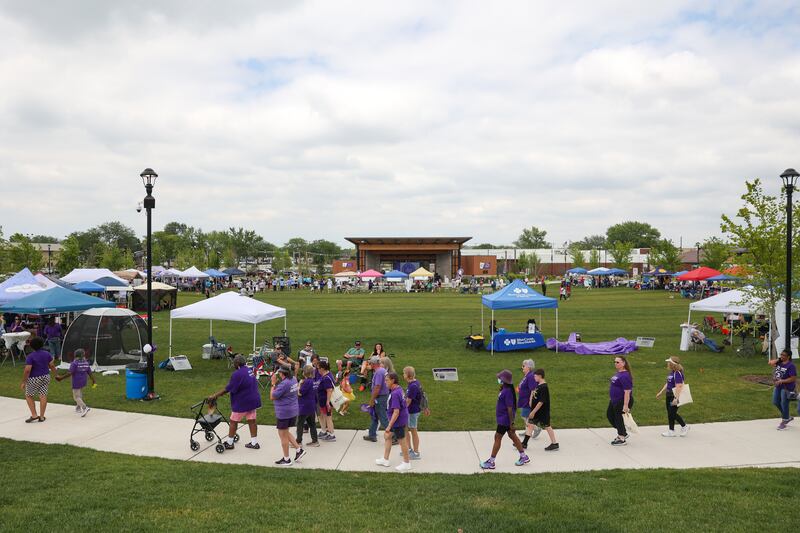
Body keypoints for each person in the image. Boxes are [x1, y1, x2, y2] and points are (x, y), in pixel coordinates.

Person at [208, 354, 261, 450]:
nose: (233, 365)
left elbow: (228, 389)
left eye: (234, 363)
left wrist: (214, 396)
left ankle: (229, 443)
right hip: (253, 400)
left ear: (237, 363)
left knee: (233, 421)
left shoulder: (237, 374)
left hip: (243, 402)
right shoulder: (249, 370)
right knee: (252, 421)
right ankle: (254, 443)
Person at [480, 370, 530, 469]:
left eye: (500, 378)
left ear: (504, 380)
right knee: (512, 436)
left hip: (504, 420)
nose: (498, 379)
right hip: (504, 419)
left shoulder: (507, 392)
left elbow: (510, 408)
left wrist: (511, 423)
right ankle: (523, 456)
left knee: (497, 438)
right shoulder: (505, 389)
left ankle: (491, 461)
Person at [375, 372, 412, 472]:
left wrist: (389, 425)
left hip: (397, 421)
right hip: (399, 419)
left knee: (402, 441)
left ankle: (407, 463)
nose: (385, 382)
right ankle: (385, 459)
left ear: (393, 380)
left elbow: (396, 411)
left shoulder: (395, 394)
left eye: (387, 380)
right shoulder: (398, 389)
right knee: (387, 436)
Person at [271, 367, 306, 465]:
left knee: (282, 435)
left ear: (282, 373)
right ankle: (299, 450)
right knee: (286, 432)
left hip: (284, 412)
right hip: (293, 411)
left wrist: (273, 384)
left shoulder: (284, 384)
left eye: (280, 373)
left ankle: (286, 459)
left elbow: (272, 396)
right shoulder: (293, 379)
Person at [20, 337, 56, 423]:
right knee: (43, 395)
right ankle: (42, 416)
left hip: (34, 378)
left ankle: (34, 415)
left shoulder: (30, 356)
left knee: (29, 395)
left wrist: (24, 381)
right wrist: (56, 375)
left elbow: (27, 370)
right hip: (46, 376)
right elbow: (52, 365)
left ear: (31, 346)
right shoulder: (47, 354)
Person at [55, 348, 95, 416]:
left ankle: (85, 407)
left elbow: (70, 373)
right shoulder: (86, 363)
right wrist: (93, 380)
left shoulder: (74, 363)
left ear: (75, 355)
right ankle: (78, 408)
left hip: (76, 382)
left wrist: (61, 378)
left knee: (76, 397)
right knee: (79, 394)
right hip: (83, 381)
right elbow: (90, 372)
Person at [656, 356, 690, 437]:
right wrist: (661, 392)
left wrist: (676, 398)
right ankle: (671, 431)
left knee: (672, 413)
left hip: (674, 396)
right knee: (670, 413)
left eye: (669, 362)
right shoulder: (672, 372)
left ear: (672, 364)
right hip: (669, 395)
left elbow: (679, 386)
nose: (667, 364)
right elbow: (668, 383)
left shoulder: (677, 373)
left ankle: (685, 426)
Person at [528, 369, 558, 451]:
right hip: (537, 411)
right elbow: (535, 396)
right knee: (530, 425)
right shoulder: (539, 385)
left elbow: (541, 401)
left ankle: (554, 444)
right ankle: (524, 443)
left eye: (535, 376)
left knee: (547, 426)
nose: (534, 377)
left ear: (540, 376)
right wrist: (531, 398)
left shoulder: (544, 387)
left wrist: (533, 411)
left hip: (542, 412)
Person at [607, 356, 634, 446]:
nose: (615, 364)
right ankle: (623, 432)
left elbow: (627, 391)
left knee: (618, 418)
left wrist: (625, 405)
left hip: (622, 401)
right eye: (614, 362)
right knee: (610, 415)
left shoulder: (625, 375)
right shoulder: (619, 373)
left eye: (618, 362)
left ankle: (622, 438)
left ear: (623, 363)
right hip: (614, 400)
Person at [403, 366, 427, 459]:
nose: (403, 375)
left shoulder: (413, 385)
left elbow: (408, 401)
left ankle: (416, 453)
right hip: (410, 411)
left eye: (404, 373)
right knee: (405, 429)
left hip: (413, 411)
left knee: (413, 431)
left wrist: (401, 409)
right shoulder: (413, 383)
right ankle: (409, 449)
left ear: (408, 375)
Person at [768, 350, 797, 430]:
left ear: (788, 357)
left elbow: (793, 378)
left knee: (784, 403)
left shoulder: (791, 366)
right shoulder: (779, 362)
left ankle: (784, 421)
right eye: (781, 354)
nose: (781, 356)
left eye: (784, 355)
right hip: (778, 386)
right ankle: (787, 416)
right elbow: (770, 363)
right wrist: (779, 359)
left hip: (786, 387)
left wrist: (782, 381)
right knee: (775, 402)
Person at [364, 356, 390, 442]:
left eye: (370, 363)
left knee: (383, 417)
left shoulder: (378, 372)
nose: (369, 365)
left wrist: (372, 400)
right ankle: (372, 435)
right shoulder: (382, 370)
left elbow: (377, 387)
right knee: (375, 416)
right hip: (382, 396)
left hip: (380, 398)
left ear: (373, 364)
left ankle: (394, 436)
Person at [518, 359, 541, 448]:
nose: (522, 367)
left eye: (524, 366)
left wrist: (531, 401)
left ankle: (536, 428)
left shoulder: (530, 376)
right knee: (526, 416)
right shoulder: (527, 375)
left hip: (527, 400)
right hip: (524, 399)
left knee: (524, 416)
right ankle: (527, 430)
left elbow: (533, 389)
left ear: (529, 367)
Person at [296, 364, 320, 448]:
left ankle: (298, 442)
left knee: (300, 424)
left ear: (304, 372)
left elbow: (300, 393)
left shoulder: (306, 382)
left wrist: (299, 384)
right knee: (312, 424)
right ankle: (315, 441)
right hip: (312, 405)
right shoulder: (314, 381)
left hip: (304, 406)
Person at [317, 360, 336, 441]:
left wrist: (327, 402)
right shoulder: (328, 374)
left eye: (318, 368)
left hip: (326, 402)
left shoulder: (326, 378)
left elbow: (329, 390)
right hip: (323, 401)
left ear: (322, 368)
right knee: (324, 416)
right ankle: (324, 431)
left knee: (328, 417)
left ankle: (332, 435)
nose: (317, 370)